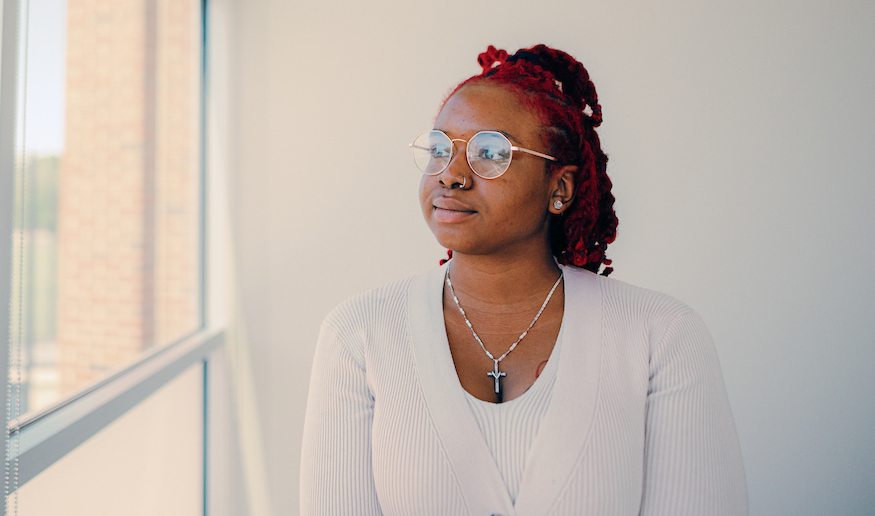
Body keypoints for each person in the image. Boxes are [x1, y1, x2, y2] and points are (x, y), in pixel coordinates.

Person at [300, 45, 747, 516]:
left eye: (489, 154)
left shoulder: (661, 336)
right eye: (439, 150)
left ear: (560, 187)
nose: (451, 175)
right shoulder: (358, 335)